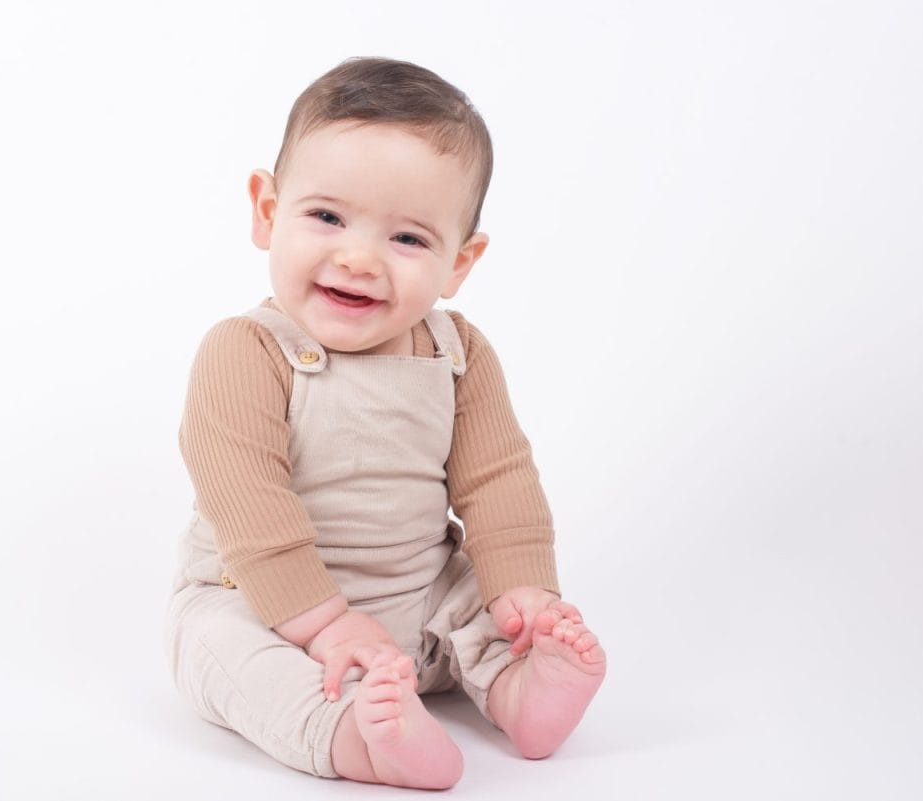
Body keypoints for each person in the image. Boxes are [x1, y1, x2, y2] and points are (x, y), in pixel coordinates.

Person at [166, 57, 606, 790]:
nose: (359, 257)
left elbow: (499, 478)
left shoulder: (457, 353)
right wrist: (327, 625)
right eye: (327, 216)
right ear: (268, 213)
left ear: (459, 262)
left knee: (482, 604)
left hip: (422, 595)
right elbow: (251, 509)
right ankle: (352, 736)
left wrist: (524, 589)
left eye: (407, 239)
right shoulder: (246, 353)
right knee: (218, 647)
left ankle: (520, 691)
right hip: (268, 605)